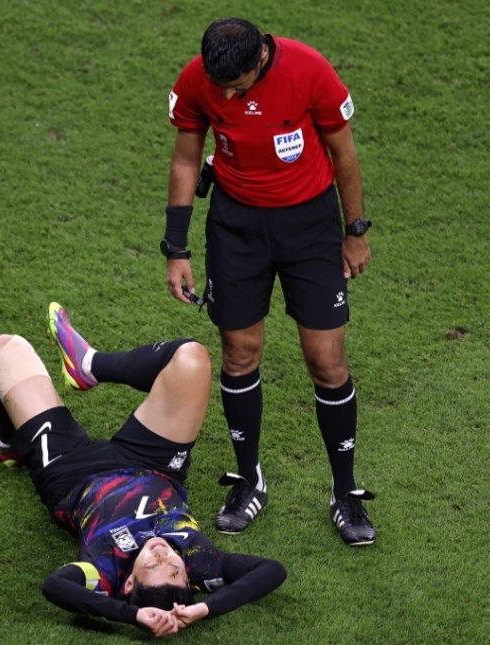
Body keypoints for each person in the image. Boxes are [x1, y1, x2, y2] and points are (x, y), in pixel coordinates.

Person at [161, 17, 377, 546]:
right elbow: (188, 158)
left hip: (309, 228)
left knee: (327, 360)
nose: (227, 98)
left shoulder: (310, 71)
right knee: (239, 353)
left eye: (236, 87)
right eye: (220, 88)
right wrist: (176, 246)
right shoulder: (199, 80)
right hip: (236, 227)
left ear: (260, 59)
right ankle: (247, 480)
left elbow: (344, 153)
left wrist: (354, 232)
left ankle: (345, 492)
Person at [0, 302, 287, 637]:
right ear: (190, 579)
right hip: (153, 464)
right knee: (191, 357)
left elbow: (56, 587)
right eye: (173, 568)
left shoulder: (104, 570)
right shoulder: (201, 561)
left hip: (70, 475)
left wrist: (131, 616)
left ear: (128, 583)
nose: (162, 554)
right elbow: (272, 570)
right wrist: (207, 608)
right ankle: (89, 365)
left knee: (4, 350)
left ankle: (12, 443)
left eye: (153, 566)